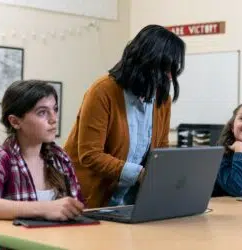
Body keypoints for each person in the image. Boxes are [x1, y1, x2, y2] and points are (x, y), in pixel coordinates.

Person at [64, 24, 185, 208]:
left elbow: (160, 148)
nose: (169, 77)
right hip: (88, 200)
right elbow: (90, 154)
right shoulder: (103, 90)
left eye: (172, 70)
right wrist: (140, 174)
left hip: (129, 200)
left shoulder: (162, 98)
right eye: (165, 69)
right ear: (146, 63)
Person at [0, 80, 84, 221]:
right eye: (42, 112)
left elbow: (78, 208)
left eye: (54, 109)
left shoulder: (60, 157)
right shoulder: (2, 157)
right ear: (15, 122)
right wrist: (45, 208)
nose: (54, 119)